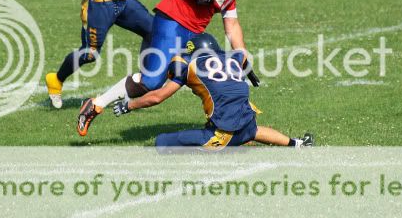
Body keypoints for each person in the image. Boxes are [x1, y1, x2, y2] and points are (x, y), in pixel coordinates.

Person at [77, 0, 265, 137]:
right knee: (151, 82)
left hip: (196, 32)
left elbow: (232, 23)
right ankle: (96, 105)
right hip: (173, 22)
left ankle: (228, 127)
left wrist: (242, 55)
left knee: (210, 75)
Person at [112, 33, 314, 150]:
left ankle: (225, 146)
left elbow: (157, 97)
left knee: (161, 143)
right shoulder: (234, 57)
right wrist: (250, 74)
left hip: (224, 132)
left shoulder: (188, 64)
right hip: (246, 119)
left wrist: (128, 105)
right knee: (253, 131)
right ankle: (297, 143)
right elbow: (243, 59)